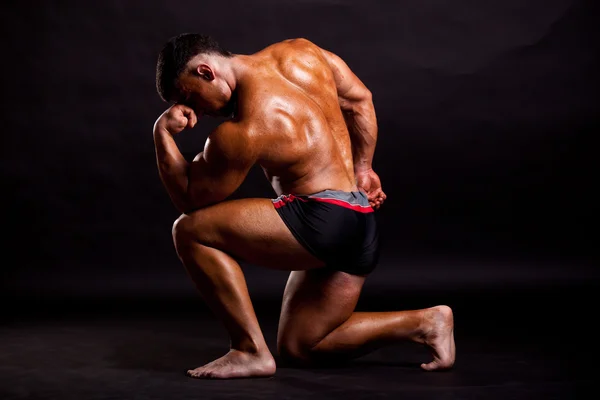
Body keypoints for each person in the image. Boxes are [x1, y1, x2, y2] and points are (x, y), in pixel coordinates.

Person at [153, 34, 455, 379]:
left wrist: (162, 132)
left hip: (320, 223)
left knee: (189, 230)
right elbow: (359, 99)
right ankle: (426, 322)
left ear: (206, 71)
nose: (199, 112)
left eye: (191, 97)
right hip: (361, 222)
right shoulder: (301, 51)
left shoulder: (246, 127)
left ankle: (248, 349)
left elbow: (190, 197)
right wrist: (364, 168)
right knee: (302, 346)